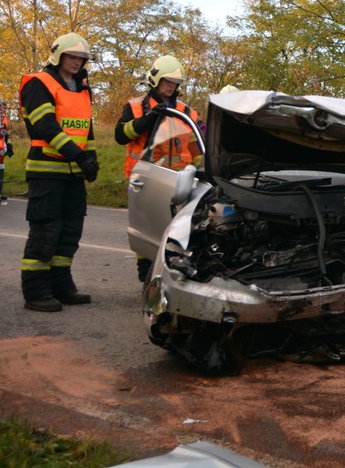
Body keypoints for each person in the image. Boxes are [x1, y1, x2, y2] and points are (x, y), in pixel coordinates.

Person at [19, 33, 98, 312]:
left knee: (69, 231)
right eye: (72, 57)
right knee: (46, 230)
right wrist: (79, 156)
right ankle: (36, 291)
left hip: (72, 173)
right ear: (58, 56)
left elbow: (84, 128)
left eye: (82, 58)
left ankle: (61, 285)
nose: (77, 62)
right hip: (46, 171)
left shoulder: (80, 87)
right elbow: (46, 126)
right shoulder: (39, 84)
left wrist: (92, 158)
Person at [115, 54, 202, 282]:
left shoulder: (187, 111)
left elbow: (196, 147)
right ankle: (146, 275)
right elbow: (120, 135)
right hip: (147, 178)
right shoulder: (135, 107)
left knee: (180, 231)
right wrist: (146, 120)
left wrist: (203, 169)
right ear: (155, 80)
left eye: (174, 84)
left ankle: (173, 274)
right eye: (167, 82)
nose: (170, 88)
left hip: (181, 181)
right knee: (148, 228)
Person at [0, 102, 12, 204]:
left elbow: (6, 135)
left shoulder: (4, 119)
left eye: (4, 108)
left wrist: (9, 146)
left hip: (1, 149)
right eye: (1, 107)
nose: (3, 110)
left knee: (1, 170)